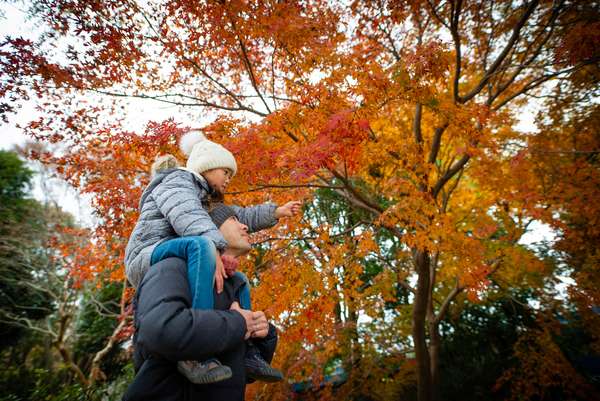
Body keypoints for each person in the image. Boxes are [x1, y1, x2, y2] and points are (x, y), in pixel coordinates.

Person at [124, 130, 300, 384]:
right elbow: (186, 214)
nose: (228, 179)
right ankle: (196, 348)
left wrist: (276, 212)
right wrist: (215, 247)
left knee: (237, 278)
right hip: (148, 252)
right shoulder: (178, 181)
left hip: (176, 248)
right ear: (207, 166)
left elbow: (239, 215)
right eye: (225, 172)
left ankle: (248, 349)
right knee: (201, 246)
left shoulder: (206, 201)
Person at [123, 204, 277, 401]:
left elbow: (240, 373)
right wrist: (238, 322)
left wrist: (263, 334)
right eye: (234, 220)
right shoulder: (171, 267)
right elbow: (162, 330)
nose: (245, 226)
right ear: (210, 228)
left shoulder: (236, 284)